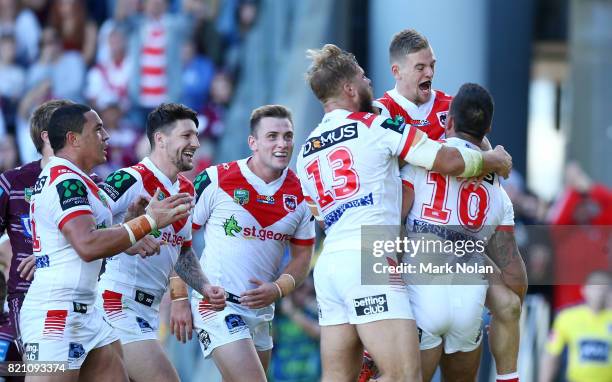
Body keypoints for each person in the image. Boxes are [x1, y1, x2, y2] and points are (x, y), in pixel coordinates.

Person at [297, 44, 512, 382]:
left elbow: (318, 213)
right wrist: (493, 160)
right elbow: (449, 161)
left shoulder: (306, 150)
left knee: (338, 377)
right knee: (405, 376)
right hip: (370, 258)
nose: (370, 83)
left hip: (330, 266)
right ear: (350, 89)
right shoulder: (376, 125)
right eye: (364, 78)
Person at [369, 29, 524, 382]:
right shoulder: (380, 112)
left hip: (443, 233)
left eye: (432, 65)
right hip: (404, 233)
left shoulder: (449, 106)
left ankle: (508, 371)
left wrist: (496, 158)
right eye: (420, 66)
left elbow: (482, 151)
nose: (429, 73)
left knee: (509, 302)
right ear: (397, 71)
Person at [19, 103, 192, 381]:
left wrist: (130, 229)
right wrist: (147, 222)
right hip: (55, 313)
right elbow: (87, 245)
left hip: (87, 313)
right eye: (97, 130)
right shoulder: (65, 181)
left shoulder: (81, 181)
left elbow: (95, 235)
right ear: (74, 139)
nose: (106, 137)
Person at [399, 83, 527, 382]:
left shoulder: (422, 163)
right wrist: (507, 309)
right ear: (488, 128)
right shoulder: (498, 188)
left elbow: (392, 220)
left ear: (449, 122)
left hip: (421, 295)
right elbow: (513, 271)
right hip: (468, 302)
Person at [96, 102, 226, 382]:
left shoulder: (186, 189)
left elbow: (183, 251)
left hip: (149, 311)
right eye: (187, 135)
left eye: (197, 135)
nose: (196, 143)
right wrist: (129, 231)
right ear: (160, 139)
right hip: (118, 304)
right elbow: (88, 224)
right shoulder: (128, 179)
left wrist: (204, 287)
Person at [190, 105, 315, 382]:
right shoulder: (215, 179)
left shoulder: (302, 193)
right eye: (272, 136)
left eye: (288, 136)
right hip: (217, 306)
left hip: (261, 313)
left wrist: (279, 288)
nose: (282, 144)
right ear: (253, 143)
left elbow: (303, 254)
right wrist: (177, 296)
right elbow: (179, 237)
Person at [0, 99, 73, 361]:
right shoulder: (12, 182)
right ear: (47, 136)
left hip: (79, 299)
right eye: (71, 127)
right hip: (29, 299)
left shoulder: (91, 182)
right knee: (44, 369)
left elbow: (105, 239)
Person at [539, 270, 612, 382]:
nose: (599, 293)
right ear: (584, 289)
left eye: (604, 288)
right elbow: (551, 354)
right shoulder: (567, 317)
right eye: (595, 287)